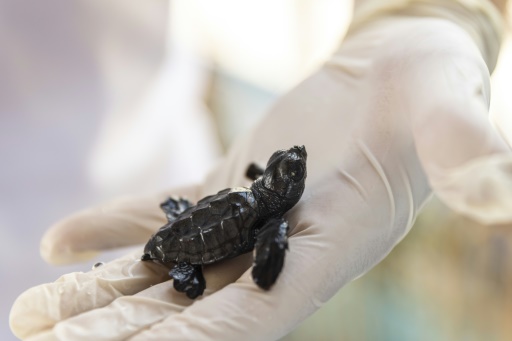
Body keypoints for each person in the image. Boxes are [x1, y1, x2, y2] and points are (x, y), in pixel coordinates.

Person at [9, 0, 512, 340]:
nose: (295, 167)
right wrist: (264, 250)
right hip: (143, 216)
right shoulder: (268, 221)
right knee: (188, 282)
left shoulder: (262, 208)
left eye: (288, 168)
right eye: (291, 170)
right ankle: (180, 270)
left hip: (148, 152)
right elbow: (269, 250)